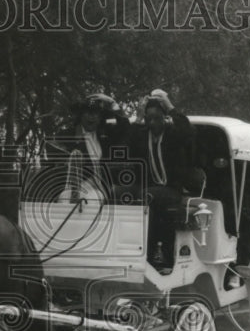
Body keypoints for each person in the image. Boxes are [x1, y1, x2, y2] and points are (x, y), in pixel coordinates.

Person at [126, 89, 198, 271]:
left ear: (164, 118)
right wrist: (139, 117)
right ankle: (128, 249)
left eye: (157, 118)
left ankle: (149, 253)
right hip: (149, 190)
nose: (152, 123)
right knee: (121, 193)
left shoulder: (173, 135)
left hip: (172, 190)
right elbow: (128, 145)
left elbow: (188, 131)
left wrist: (170, 106)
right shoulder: (144, 136)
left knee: (147, 196)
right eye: (149, 119)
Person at [40, 92, 130, 201]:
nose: (91, 117)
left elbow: (125, 125)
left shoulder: (105, 136)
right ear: (81, 115)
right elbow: (51, 151)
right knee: (66, 199)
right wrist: (70, 159)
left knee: (92, 199)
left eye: (95, 113)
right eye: (87, 112)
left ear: (100, 117)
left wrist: (112, 103)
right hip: (74, 186)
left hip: (101, 187)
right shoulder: (68, 135)